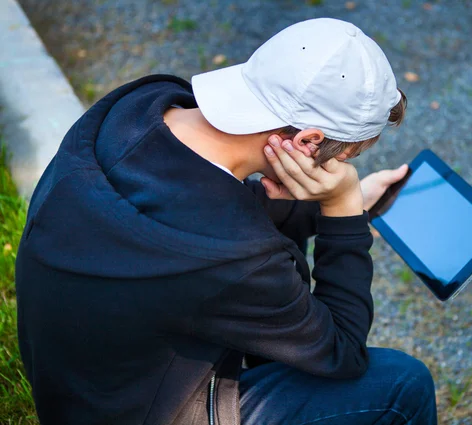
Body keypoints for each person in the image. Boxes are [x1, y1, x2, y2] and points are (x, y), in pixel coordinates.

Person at [15, 17, 437, 425]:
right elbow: (342, 351)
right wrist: (343, 208)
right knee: (404, 384)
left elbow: (198, 206)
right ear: (308, 141)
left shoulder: (139, 108)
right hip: (140, 412)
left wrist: (347, 201)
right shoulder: (234, 258)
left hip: (86, 389)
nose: (341, 171)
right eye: (345, 159)